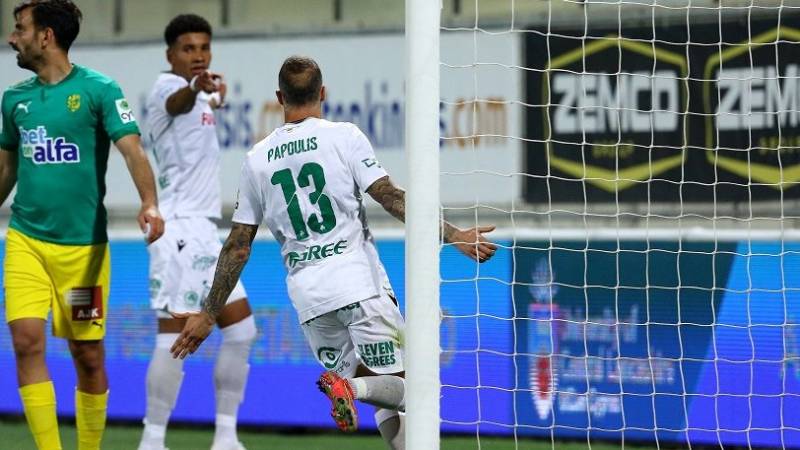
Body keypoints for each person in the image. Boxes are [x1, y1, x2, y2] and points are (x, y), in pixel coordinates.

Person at [170, 55, 497, 450]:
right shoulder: (344, 136)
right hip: (358, 283)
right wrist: (453, 234)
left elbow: (238, 245)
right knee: (414, 390)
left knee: (382, 390)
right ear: (322, 93)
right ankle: (351, 388)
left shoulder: (256, 159)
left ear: (279, 98)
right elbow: (390, 197)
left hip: (310, 299)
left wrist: (208, 314)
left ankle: (352, 386)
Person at [0, 1, 165, 449]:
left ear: (46, 36)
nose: (12, 38)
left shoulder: (99, 90)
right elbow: (7, 169)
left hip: (82, 255)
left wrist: (149, 203)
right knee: (26, 342)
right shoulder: (14, 99)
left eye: (20, 29)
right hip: (26, 243)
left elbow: (132, 150)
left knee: (87, 356)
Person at [136, 14, 256, 450]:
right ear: (170, 53)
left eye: (204, 48)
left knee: (241, 331)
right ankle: (152, 440)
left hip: (204, 231)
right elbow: (177, 104)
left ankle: (225, 437)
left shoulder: (200, 92)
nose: (198, 55)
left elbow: (199, 105)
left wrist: (213, 95)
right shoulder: (167, 88)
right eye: (188, 49)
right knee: (174, 338)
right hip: (179, 229)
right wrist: (196, 89)